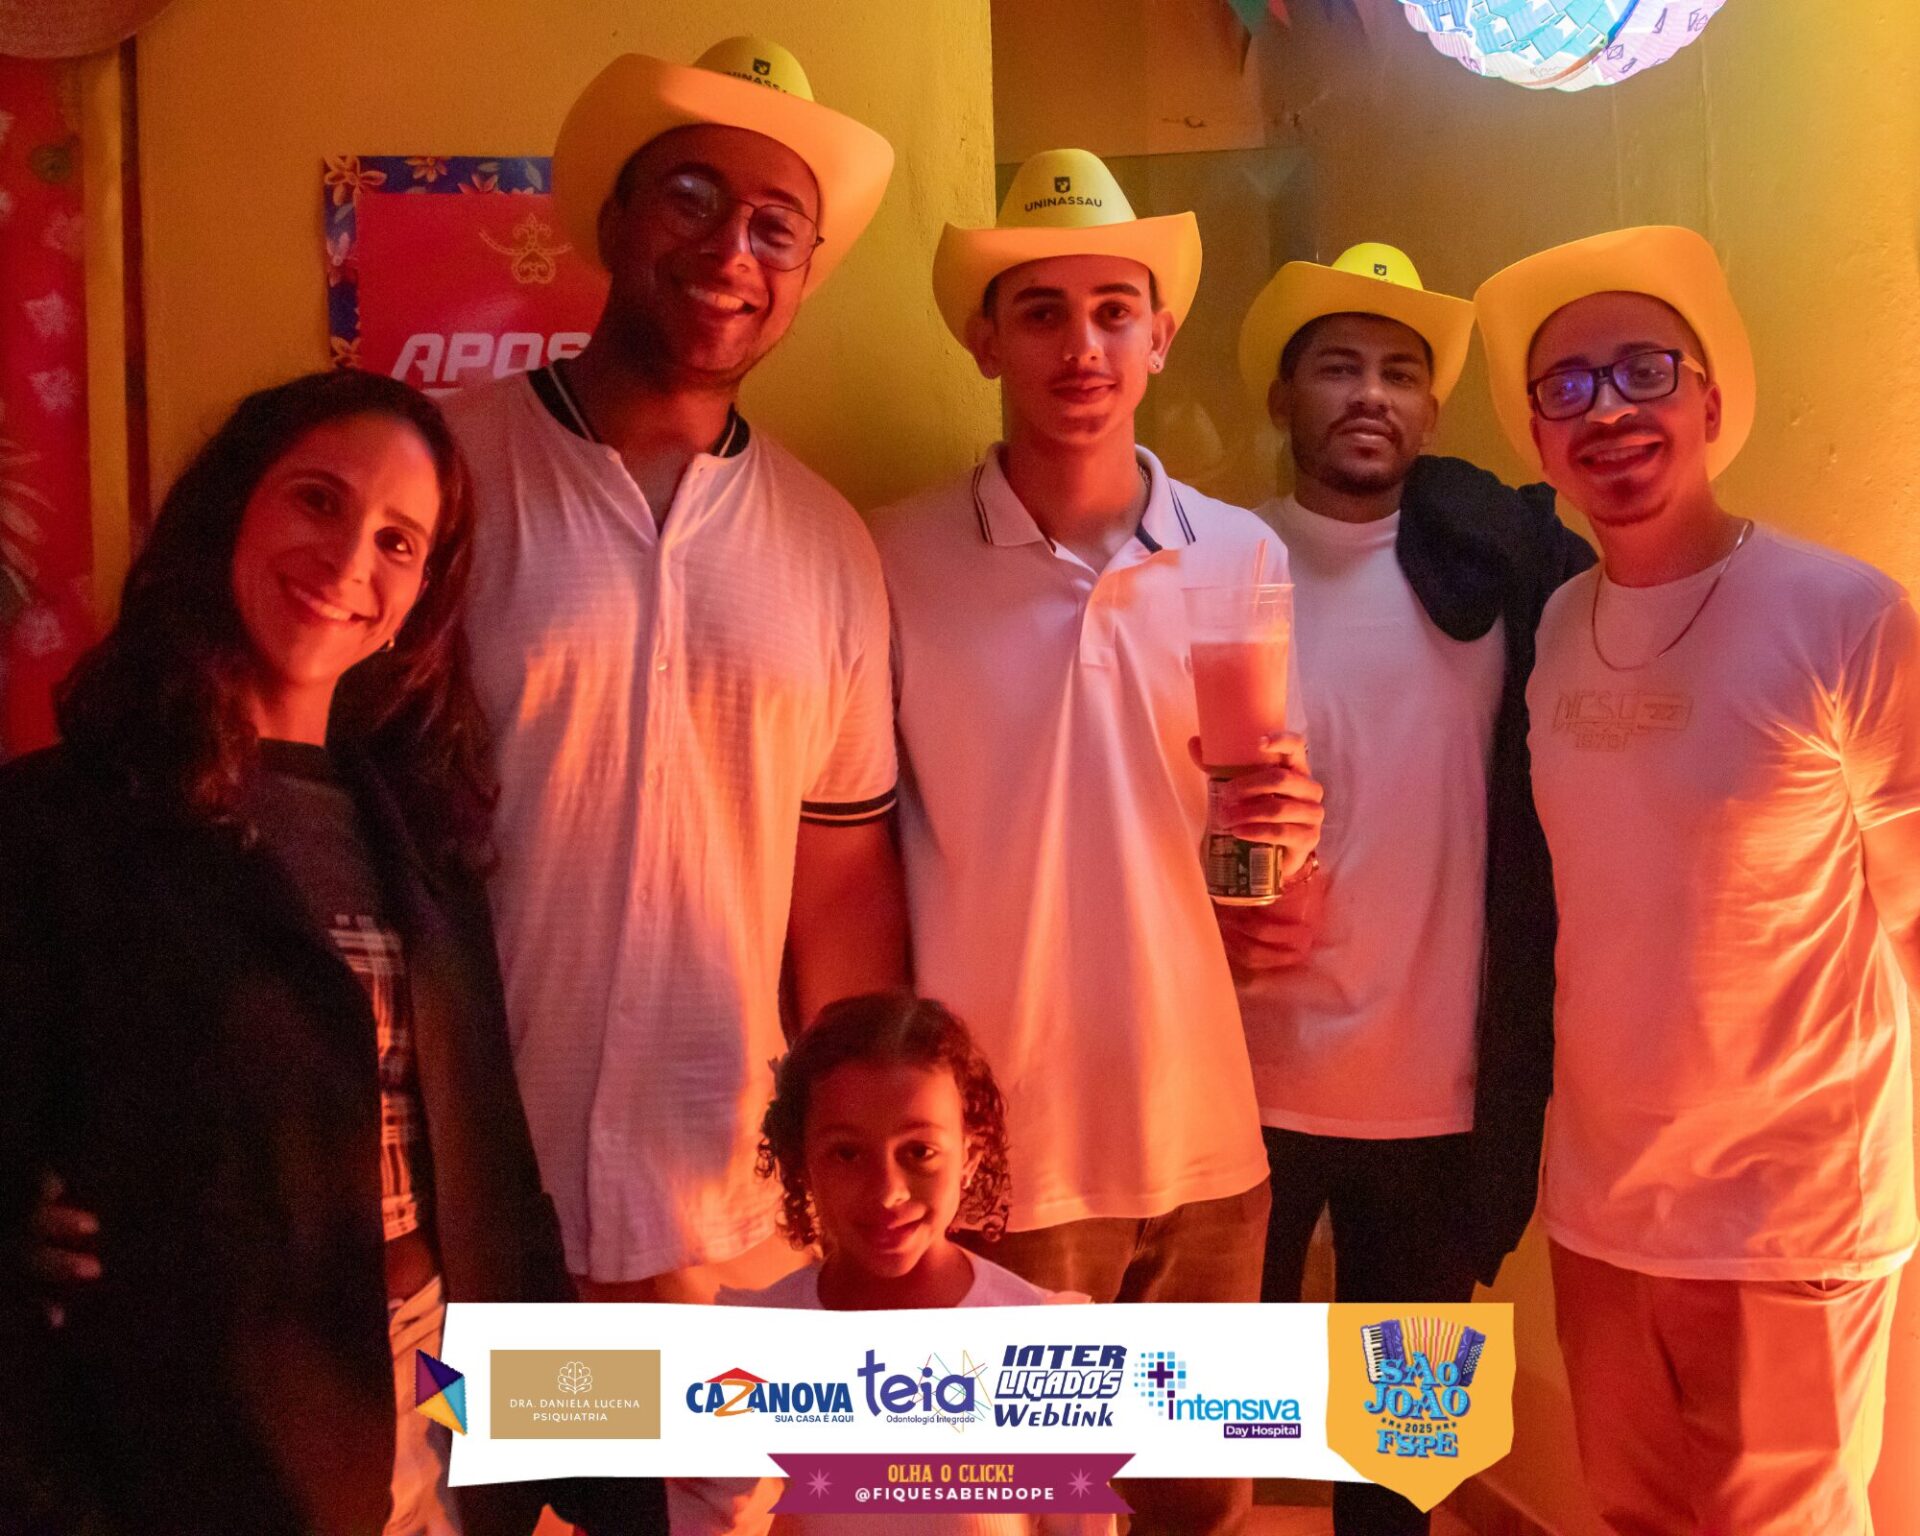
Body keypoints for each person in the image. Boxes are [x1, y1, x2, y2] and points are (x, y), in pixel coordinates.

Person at [0, 371, 659, 1534]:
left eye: (398, 541)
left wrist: (623, 1482)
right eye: (317, 500)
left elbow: (498, 1191)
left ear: (418, 600)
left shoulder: (424, 828)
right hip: (219, 1455)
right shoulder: (62, 821)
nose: (351, 558)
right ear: (232, 511)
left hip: (455, 1410)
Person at [870, 147, 1325, 1536]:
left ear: (1160, 334)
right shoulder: (889, 557)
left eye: (1114, 310)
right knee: (1002, 1508)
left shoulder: (1239, 555)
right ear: (984, 341)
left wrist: (1288, 847)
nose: (1083, 346)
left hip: (1204, 1135)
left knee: (1198, 1508)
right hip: (998, 1140)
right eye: (1042, 311)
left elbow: (1254, 852)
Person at [441, 37, 908, 1305]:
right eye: (692, 198)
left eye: (776, 227)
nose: (730, 250)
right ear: (614, 220)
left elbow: (841, 886)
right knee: (475, 1442)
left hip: (725, 1206)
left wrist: (851, 1153)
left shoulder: (828, 544)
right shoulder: (446, 475)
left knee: (703, 1451)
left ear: (803, 274)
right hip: (467, 1186)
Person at [1475, 226, 1920, 1535]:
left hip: (1790, 1225)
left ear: (1713, 402)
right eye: (1567, 386)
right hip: (1603, 1212)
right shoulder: (1560, 629)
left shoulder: (1847, 617)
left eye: (1645, 370)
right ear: (1539, 439)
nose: (1608, 410)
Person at [1230, 244, 1593, 1534]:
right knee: (1199, 1453)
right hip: (1239, 1090)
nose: (1371, 395)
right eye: (1339, 368)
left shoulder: (1498, 577)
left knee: (1406, 1467)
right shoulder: (1218, 561)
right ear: (1284, 397)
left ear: (1433, 410)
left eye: (1400, 372)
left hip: (1441, 1096)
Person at [669, 992, 1113, 1536]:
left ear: (969, 1156)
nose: (886, 1193)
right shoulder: (759, 1339)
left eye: (919, 1151)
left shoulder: (1044, 1344)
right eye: (847, 1153)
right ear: (802, 1161)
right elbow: (692, 1511)